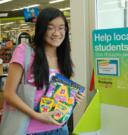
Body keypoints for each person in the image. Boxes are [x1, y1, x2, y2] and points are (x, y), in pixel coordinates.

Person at [3, 7, 84, 135]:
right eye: (50, 27)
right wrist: (36, 115)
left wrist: (72, 98)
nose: (56, 33)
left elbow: (59, 95)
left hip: (59, 128)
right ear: (41, 29)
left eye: (61, 28)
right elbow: (9, 93)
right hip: (28, 129)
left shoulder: (64, 58)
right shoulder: (25, 51)